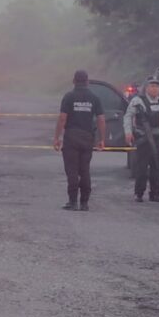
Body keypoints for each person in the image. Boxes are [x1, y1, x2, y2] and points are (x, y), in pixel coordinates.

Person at [53, 69, 106, 211]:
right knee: (85, 170)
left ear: (74, 81)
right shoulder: (94, 98)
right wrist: (102, 139)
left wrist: (57, 137)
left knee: (72, 170)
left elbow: (63, 118)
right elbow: (101, 119)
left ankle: (72, 201)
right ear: (87, 82)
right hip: (88, 137)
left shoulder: (69, 97)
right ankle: (84, 203)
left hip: (72, 137)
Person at [124, 76, 159, 203]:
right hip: (143, 139)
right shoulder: (137, 100)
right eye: (152, 86)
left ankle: (155, 194)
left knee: (157, 167)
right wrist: (128, 132)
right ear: (146, 88)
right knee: (141, 168)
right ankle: (139, 193)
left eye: (157, 86)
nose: (155, 89)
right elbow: (128, 116)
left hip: (157, 139)